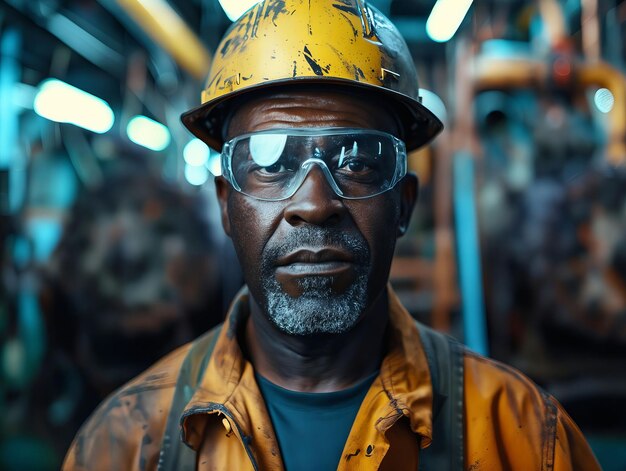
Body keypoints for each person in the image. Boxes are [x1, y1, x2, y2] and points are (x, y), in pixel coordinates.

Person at [63, 0, 601, 469]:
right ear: (227, 206)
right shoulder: (126, 444)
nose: (315, 204)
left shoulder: (527, 439)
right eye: (270, 162)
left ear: (404, 205)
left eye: (359, 161)